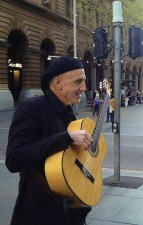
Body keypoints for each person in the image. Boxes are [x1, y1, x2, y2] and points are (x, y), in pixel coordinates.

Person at [5, 56, 93, 225]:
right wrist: (66, 138)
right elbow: (14, 159)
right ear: (57, 82)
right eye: (78, 82)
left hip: (69, 211)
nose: (84, 87)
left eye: (84, 81)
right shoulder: (32, 108)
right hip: (40, 213)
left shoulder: (68, 111)